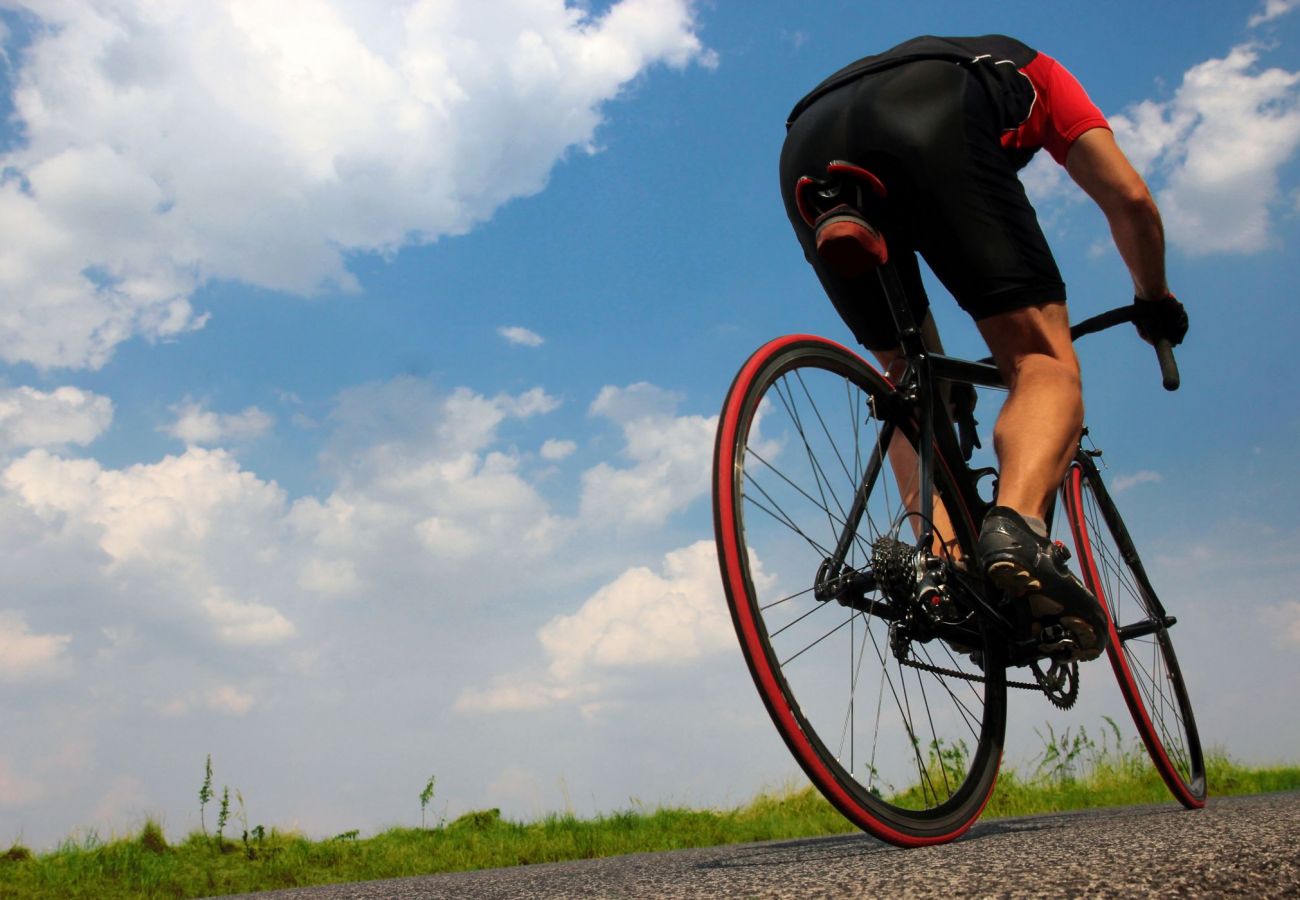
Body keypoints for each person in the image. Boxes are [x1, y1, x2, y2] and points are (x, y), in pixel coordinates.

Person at [779, 35, 1188, 660]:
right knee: (1040, 360)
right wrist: (1154, 297)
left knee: (908, 386)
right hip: (930, 112)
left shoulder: (930, 62)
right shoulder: (1039, 71)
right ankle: (1016, 530)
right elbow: (1130, 198)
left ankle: (935, 568)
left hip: (805, 147)